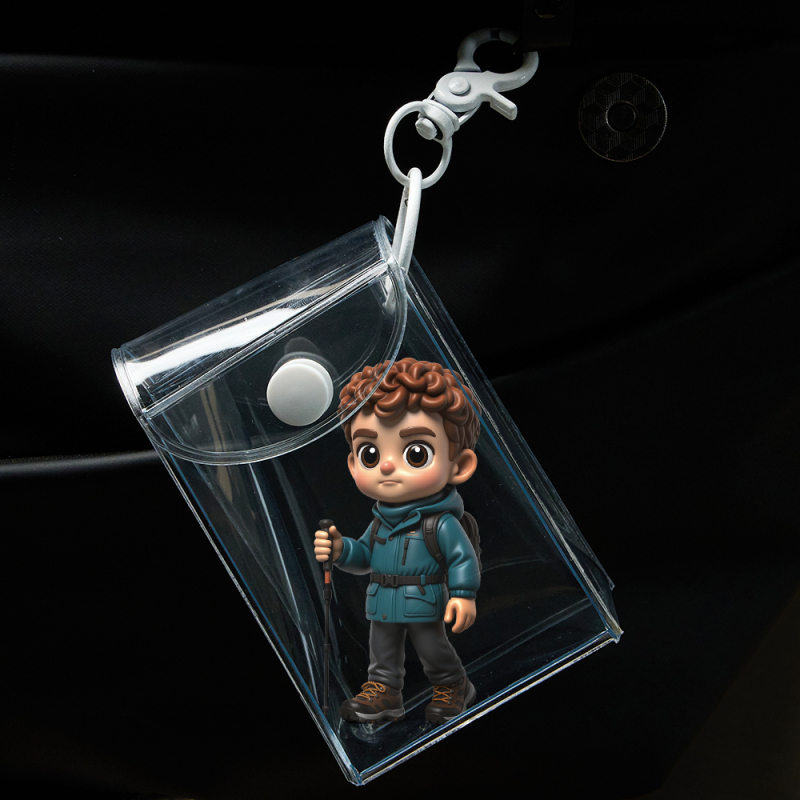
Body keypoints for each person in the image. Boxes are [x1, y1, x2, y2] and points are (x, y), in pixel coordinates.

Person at [314, 357, 481, 725]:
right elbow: (365, 556)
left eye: (415, 453)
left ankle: (453, 685)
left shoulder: (439, 523)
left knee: (432, 647)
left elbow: (462, 558)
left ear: (459, 465)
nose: (387, 466)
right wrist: (341, 550)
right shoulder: (380, 523)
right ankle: (384, 691)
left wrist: (463, 594)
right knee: (382, 651)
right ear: (353, 465)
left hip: (423, 597)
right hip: (383, 600)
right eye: (370, 453)